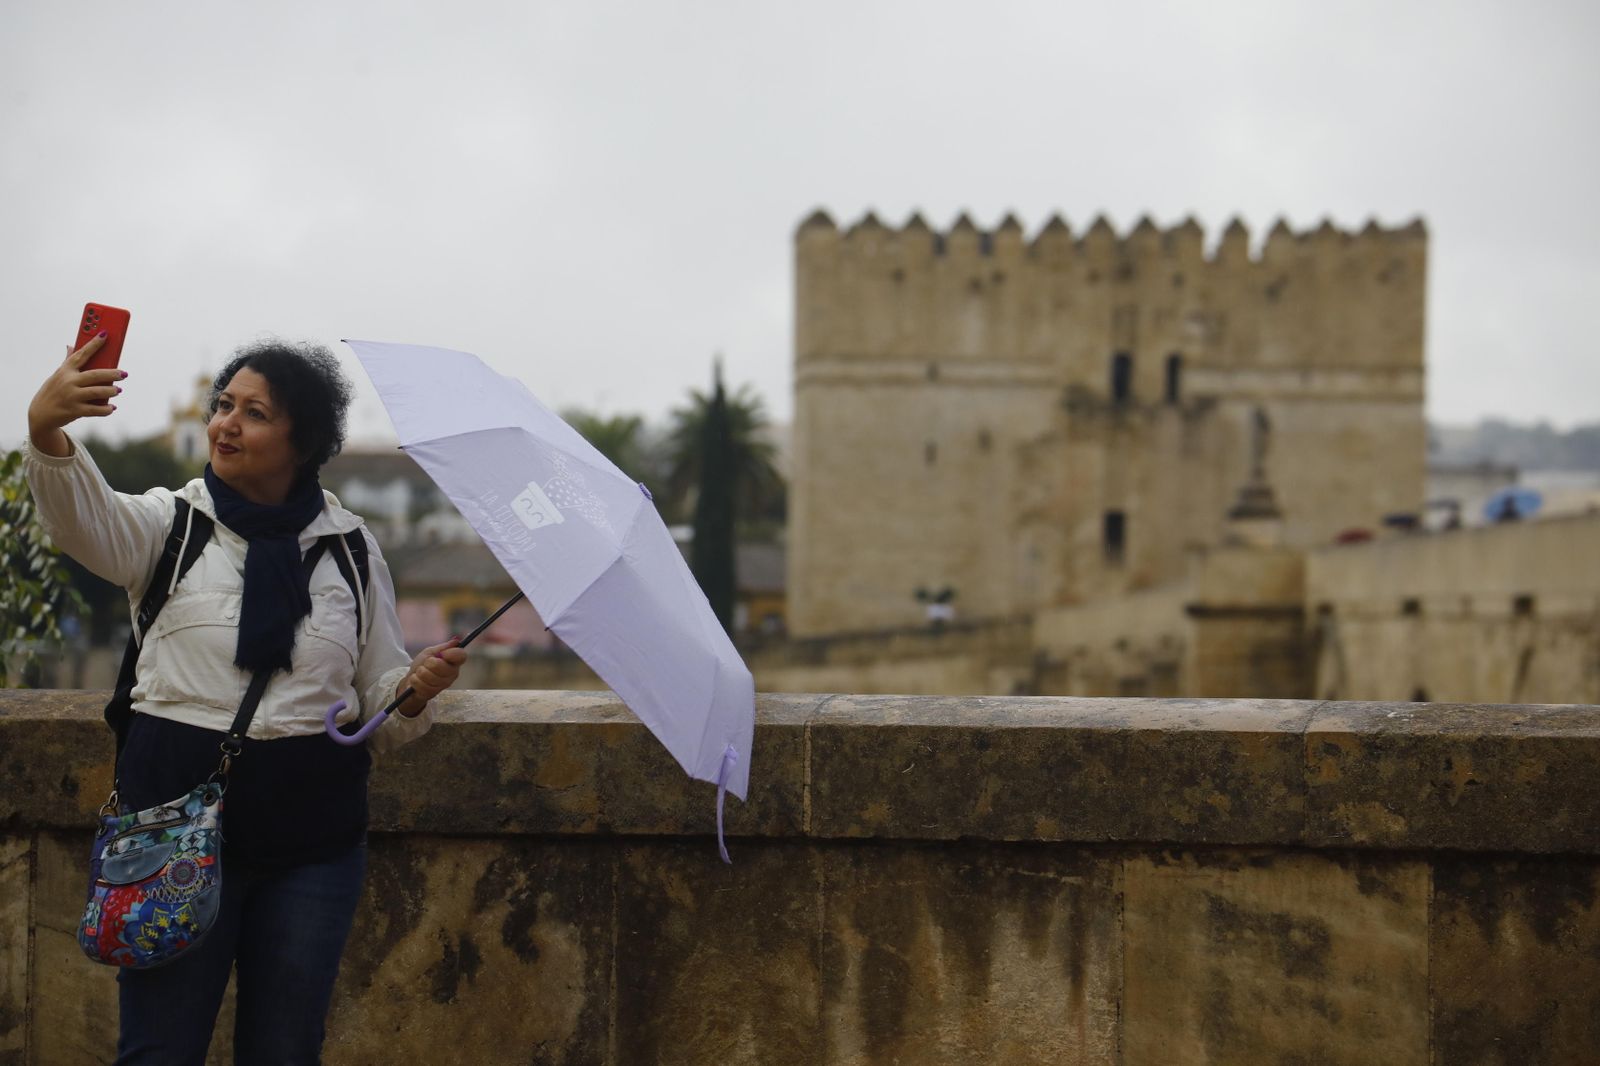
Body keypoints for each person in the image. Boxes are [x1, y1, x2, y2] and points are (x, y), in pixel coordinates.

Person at [25, 333, 467, 1065]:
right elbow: (81, 520)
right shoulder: (170, 525)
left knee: (285, 1050)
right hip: (172, 838)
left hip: (313, 848)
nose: (226, 424)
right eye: (222, 405)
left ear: (304, 438)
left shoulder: (350, 550)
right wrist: (48, 430)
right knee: (158, 1050)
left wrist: (413, 693)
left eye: (254, 413)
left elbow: (378, 705)